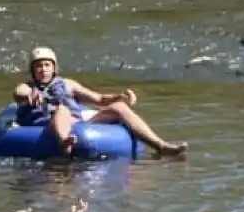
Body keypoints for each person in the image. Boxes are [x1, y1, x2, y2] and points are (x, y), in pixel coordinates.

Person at [13, 46, 188, 157]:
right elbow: (19, 93)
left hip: (77, 121)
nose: (43, 69)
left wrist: (121, 97)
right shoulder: (28, 86)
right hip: (48, 124)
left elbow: (99, 99)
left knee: (118, 107)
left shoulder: (68, 84)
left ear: (54, 68)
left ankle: (161, 145)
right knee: (62, 110)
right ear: (32, 70)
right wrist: (30, 96)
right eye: (38, 66)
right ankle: (65, 144)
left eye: (47, 65)